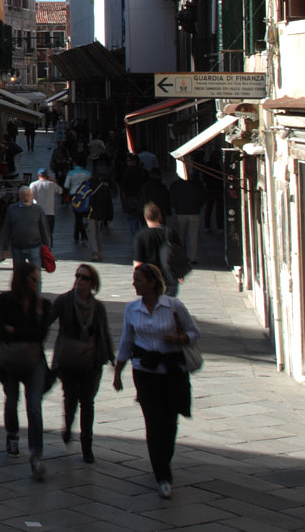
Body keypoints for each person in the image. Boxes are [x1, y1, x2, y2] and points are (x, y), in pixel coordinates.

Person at [113, 264, 200, 498]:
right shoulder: (132, 309)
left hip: (172, 371)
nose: (134, 284)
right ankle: (161, 474)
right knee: (153, 423)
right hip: (145, 372)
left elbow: (194, 333)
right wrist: (118, 373)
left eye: (138, 279)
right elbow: (126, 342)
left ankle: (165, 460)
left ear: (152, 282)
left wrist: (180, 338)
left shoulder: (173, 306)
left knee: (170, 423)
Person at [0, 259, 54, 478]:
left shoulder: (44, 305)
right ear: (22, 280)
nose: (36, 283)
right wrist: (25, 331)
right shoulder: (4, 301)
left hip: (34, 360)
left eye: (38, 279)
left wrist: (14, 330)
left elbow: (41, 335)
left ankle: (36, 455)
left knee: (34, 405)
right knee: (11, 400)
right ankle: (12, 435)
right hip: (10, 360)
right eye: (32, 279)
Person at [51, 264, 114, 464]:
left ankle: (87, 445)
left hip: (91, 361)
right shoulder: (64, 301)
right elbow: (46, 320)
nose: (79, 279)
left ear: (92, 283)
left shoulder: (98, 307)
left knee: (87, 401)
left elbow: (104, 333)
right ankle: (68, 426)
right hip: (69, 360)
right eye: (77, 275)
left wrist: (112, 358)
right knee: (70, 398)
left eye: (84, 277)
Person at [133, 202, 187, 297]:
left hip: (150, 279)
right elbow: (180, 254)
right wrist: (180, 274)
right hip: (169, 277)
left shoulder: (141, 236)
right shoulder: (170, 232)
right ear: (160, 217)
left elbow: (138, 263)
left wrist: (137, 279)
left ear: (145, 217)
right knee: (168, 306)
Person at [2, 186, 50, 271]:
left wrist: (47, 248)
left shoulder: (38, 210)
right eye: (23, 195)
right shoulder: (12, 209)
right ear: (19, 196)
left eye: (28, 195)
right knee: (19, 275)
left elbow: (44, 229)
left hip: (34, 247)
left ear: (32, 196)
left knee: (35, 274)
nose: (26, 198)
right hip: (17, 247)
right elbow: (7, 229)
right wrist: (5, 247)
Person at [169, 170, 206, 266]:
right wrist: (197, 206)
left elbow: (172, 199)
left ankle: (181, 257)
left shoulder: (175, 185)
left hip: (180, 213)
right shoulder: (197, 185)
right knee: (193, 236)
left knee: (181, 236)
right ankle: (192, 258)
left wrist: (176, 207)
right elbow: (203, 198)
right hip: (194, 212)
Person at [63, 163, 92, 244]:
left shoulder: (71, 173)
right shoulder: (87, 173)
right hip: (84, 195)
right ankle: (77, 235)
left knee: (77, 216)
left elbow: (66, 185)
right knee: (79, 216)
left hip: (74, 195)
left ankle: (82, 235)